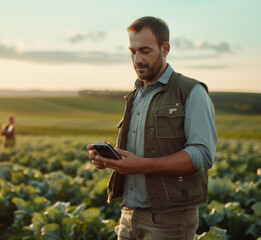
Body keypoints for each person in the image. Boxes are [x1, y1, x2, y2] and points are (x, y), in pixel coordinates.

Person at [87, 16, 217, 240]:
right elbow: (138, 154)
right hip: (128, 216)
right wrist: (110, 159)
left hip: (170, 219)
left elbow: (202, 155)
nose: (137, 59)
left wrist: (142, 166)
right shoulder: (135, 96)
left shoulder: (190, 91)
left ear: (165, 48)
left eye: (145, 51)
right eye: (133, 51)